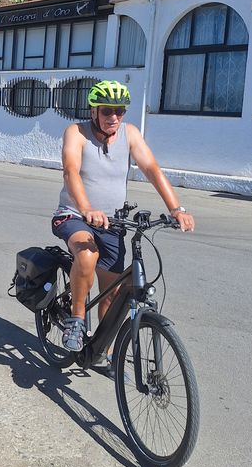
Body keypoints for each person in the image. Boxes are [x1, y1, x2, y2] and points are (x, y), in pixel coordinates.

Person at [52, 80, 195, 353]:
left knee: (113, 292)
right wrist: (85, 208)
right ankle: (77, 319)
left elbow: (152, 169)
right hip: (74, 215)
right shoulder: (77, 132)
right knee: (87, 254)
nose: (114, 117)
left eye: (119, 110)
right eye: (107, 111)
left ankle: (102, 354)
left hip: (112, 222)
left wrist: (177, 209)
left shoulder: (130, 134)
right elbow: (70, 170)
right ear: (94, 111)